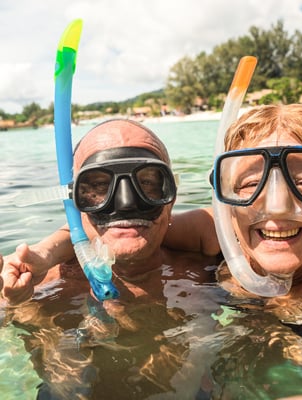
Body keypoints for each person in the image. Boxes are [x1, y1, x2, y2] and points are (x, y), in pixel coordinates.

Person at [2, 105, 302, 399]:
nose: (277, 207)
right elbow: (121, 230)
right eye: (248, 186)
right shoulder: (226, 234)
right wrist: (45, 253)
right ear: (223, 197)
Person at [0, 119, 221, 399]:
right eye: (100, 187)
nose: (126, 202)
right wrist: (17, 305)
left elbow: (231, 224)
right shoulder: (37, 285)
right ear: (73, 202)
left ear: (171, 198)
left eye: (149, 184)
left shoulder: (207, 268)